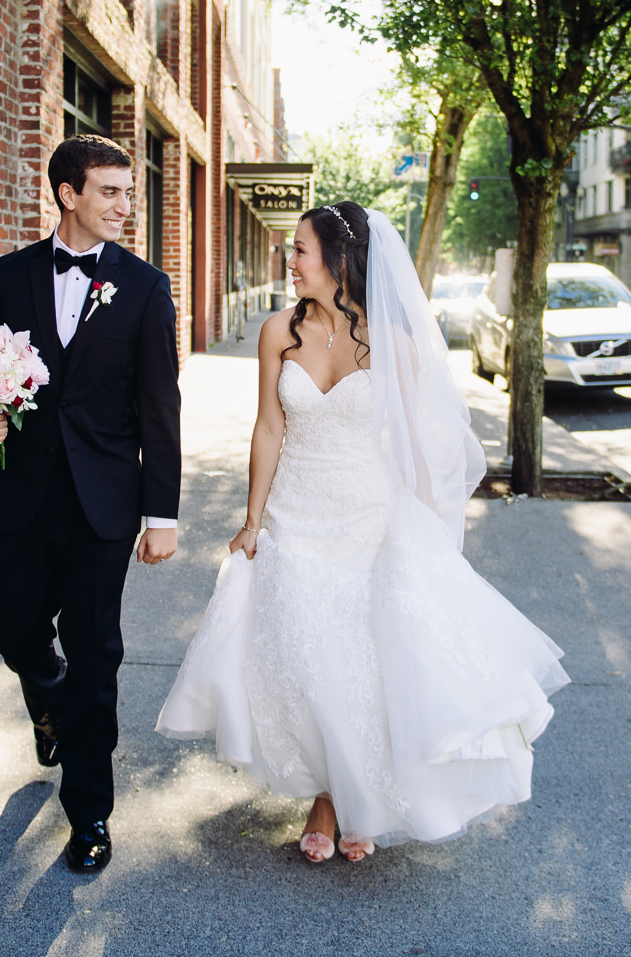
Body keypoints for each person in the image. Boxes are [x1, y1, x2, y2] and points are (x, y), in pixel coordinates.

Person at [157, 201, 568, 862]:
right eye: (290, 250)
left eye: (300, 250)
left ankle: (351, 801)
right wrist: (252, 517)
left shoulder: (393, 342)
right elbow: (269, 428)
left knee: (364, 661)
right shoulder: (277, 332)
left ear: (339, 260)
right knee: (307, 661)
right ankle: (326, 792)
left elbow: (419, 442)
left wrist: (433, 528)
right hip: (296, 513)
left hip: (370, 517)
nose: (288, 262)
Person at [0, 134, 182, 874]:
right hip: (18, 495)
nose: (127, 205)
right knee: (10, 626)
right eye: (112, 192)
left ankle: (90, 813)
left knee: (97, 657)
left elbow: (160, 410)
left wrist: (162, 516)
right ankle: (47, 695)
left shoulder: (148, 289)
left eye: (129, 191)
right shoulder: (8, 277)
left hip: (104, 506)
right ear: (69, 194)